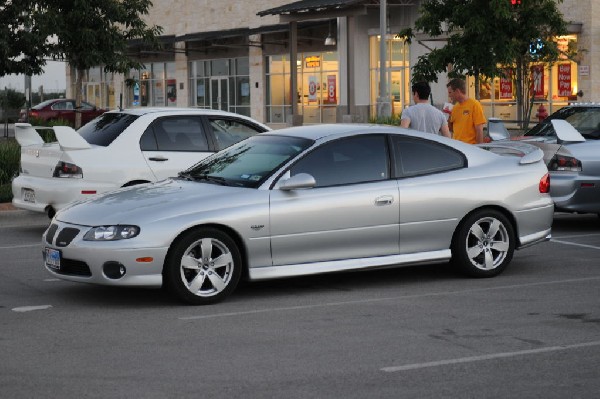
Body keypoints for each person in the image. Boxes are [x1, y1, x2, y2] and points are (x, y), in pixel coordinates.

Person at [446, 78, 487, 144]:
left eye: (450, 92)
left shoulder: (474, 105)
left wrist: (479, 149)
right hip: (457, 147)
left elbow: (479, 130)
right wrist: (447, 116)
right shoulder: (454, 107)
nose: (449, 95)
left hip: (470, 148)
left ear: (457, 91)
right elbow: (451, 129)